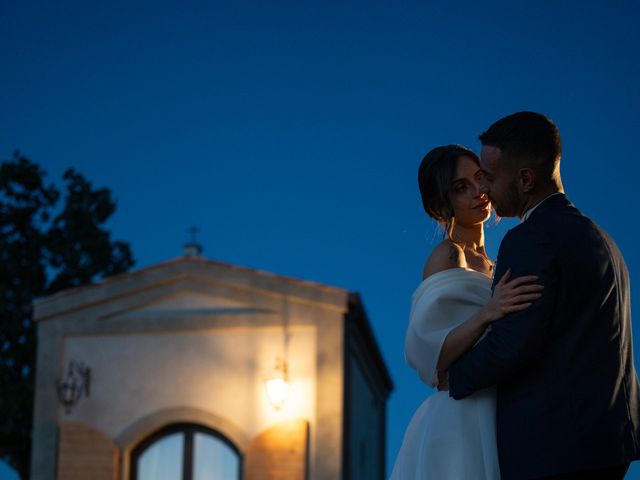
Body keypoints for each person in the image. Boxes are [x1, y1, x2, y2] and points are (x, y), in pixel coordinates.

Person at [447, 111, 640, 479]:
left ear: (525, 179)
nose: (483, 187)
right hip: (610, 443)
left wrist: (453, 377)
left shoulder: (530, 239)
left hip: (553, 447)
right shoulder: (602, 239)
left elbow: (513, 343)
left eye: (489, 176)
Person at [390, 144, 543, 479]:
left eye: (479, 178)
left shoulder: (497, 263)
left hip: (499, 409)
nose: (478, 192)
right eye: (461, 188)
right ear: (442, 204)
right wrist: (488, 312)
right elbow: (427, 351)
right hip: (460, 417)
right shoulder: (448, 255)